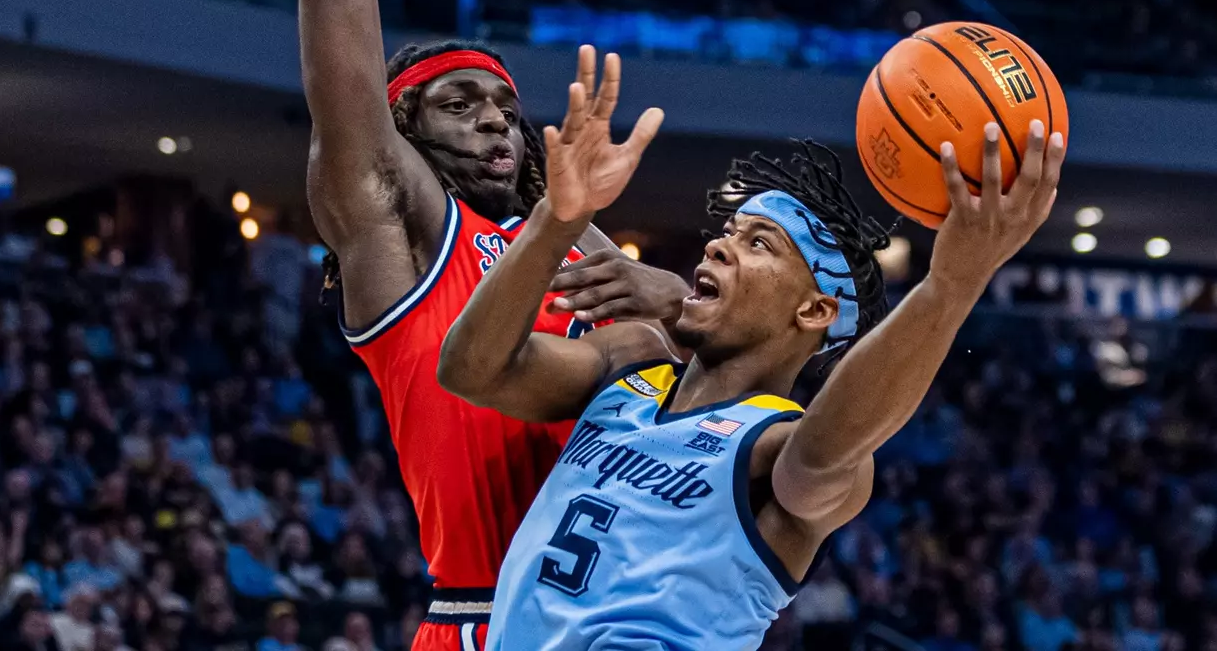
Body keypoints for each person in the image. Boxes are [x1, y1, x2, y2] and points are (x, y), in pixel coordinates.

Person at [263, 0, 686, 651]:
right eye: (462, 103)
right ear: (399, 135)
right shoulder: (393, 228)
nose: (501, 122)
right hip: (488, 621)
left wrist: (666, 288)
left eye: (507, 103)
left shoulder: (562, 234)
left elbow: (741, 340)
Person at [436, 48, 1066, 651]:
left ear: (815, 310)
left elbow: (831, 445)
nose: (716, 247)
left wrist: (950, 287)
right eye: (726, 233)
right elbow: (469, 370)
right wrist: (558, 218)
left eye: (759, 244)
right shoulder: (626, 365)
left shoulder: (777, 445)